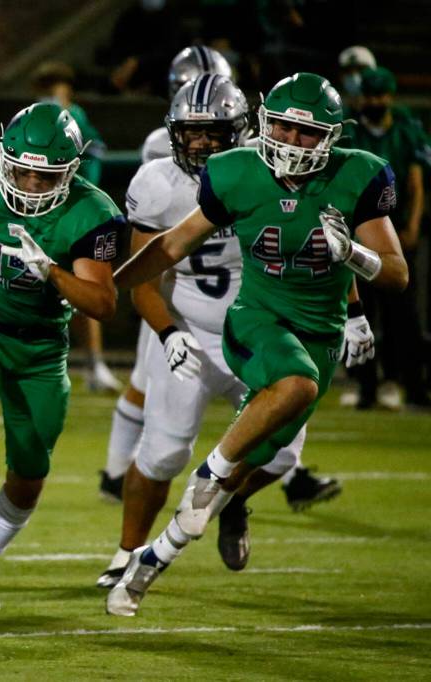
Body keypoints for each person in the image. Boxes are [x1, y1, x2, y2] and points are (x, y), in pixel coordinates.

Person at [105, 72, 408, 616]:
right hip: (254, 319)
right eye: (284, 128)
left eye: (306, 133)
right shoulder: (236, 172)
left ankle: (154, 560)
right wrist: (105, 287)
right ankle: (207, 478)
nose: (291, 142)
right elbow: (173, 244)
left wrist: (356, 267)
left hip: (317, 331)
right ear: (265, 123)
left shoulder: (358, 176)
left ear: (333, 138)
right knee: (291, 387)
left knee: (274, 456)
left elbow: (397, 274)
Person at [0, 102, 123, 610]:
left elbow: (102, 303)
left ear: (72, 170)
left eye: (46, 175)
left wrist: (55, 274)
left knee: (31, 471)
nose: (32, 185)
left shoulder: (92, 213)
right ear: (3, 158)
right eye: (22, 171)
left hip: (41, 347)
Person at [102, 44, 234, 503]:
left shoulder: (253, 160)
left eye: (213, 127)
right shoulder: (160, 158)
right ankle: (117, 472)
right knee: (145, 377)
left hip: (231, 292)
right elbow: (157, 233)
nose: (200, 138)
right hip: (173, 287)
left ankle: (274, 473)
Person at [343, 66, 431, 409]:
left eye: (381, 96)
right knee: (360, 312)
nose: (375, 102)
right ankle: (366, 386)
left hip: (393, 237)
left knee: (404, 316)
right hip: (359, 236)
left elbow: (416, 181)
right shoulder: (349, 131)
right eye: (370, 96)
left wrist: (412, 226)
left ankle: (408, 384)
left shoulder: (407, 129)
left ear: (390, 97)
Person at [30, 60, 120, 393]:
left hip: (72, 215)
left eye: (57, 86)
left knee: (84, 289)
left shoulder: (76, 117)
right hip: (37, 214)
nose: (51, 93)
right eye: (45, 87)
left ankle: (94, 364)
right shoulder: (33, 117)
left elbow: (94, 151)